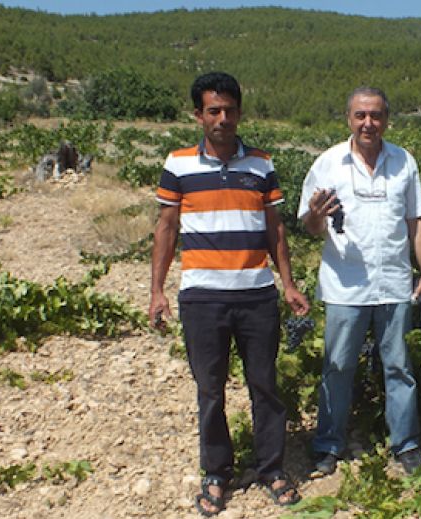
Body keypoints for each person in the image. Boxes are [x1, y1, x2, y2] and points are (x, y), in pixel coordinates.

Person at [149, 72, 309, 516]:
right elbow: (166, 228)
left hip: (257, 294)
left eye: (230, 110)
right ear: (198, 115)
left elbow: (275, 229)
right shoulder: (178, 164)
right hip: (202, 297)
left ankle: (272, 468)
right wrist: (157, 291)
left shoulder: (261, 164)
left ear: (240, 113)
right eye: (213, 111)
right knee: (210, 389)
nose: (223, 118)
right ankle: (216, 473)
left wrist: (288, 284)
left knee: (265, 385)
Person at [297, 86, 421, 476]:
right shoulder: (327, 164)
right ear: (349, 119)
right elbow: (310, 227)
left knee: (399, 367)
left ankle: (406, 444)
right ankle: (328, 444)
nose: (368, 123)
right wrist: (316, 215)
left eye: (376, 115)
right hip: (345, 285)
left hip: (394, 282)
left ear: (386, 119)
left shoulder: (404, 161)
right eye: (360, 115)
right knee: (338, 366)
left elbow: (416, 222)